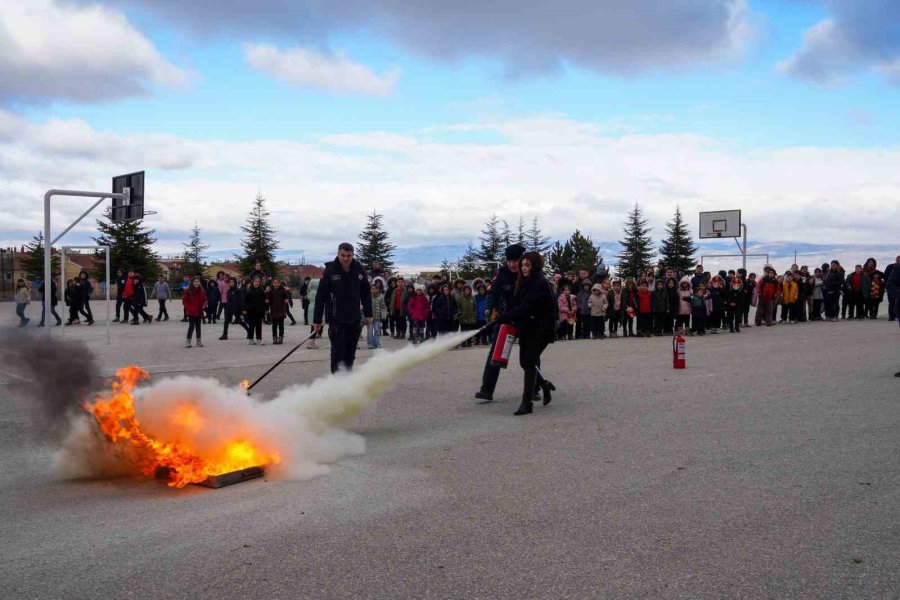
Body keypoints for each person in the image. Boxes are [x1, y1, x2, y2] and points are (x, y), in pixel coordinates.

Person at [500, 251, 556, 416]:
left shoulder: (539, 282)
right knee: (524, 363)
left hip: (541, 328)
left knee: (530, 362)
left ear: (535, 266)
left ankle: (527, 403)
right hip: (527, 327)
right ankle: (545, 385)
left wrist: (507, 317)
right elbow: (518, 305)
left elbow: (528, 307)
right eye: (522, 265)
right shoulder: (523, 282)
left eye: (527, 265)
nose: (523, 268)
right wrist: (506, 317)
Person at [474, 243, 526, 403]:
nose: (512, 264)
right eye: (509, 261)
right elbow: (493, 293)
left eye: (515, 261)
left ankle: (534, 388)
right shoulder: (501, 273)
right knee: (494, 355)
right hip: (505, 320)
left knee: (529, 355)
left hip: (524, 320)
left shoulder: (528, 273)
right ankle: (486, 390)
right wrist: (488, 308)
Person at [313, 243, 373, 373]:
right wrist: (317, 320)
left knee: (350, 353)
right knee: (337, 353)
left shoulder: (358, 268)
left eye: (349, 256)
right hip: (336, 319)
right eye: (343, 255)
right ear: (338, 254)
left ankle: (347, 381)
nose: (346, 258)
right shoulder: (330, 271)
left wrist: (368, 314)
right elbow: (320, 296)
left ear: (353, 255)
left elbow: (366, 292)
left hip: (354, 318)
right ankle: (336, 383)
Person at [182, 276, 207, 348]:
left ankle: (198, 341)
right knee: (191, 326)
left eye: (198, 281)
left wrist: (204, 305)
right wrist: (188, 308)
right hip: (191, 311)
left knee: (198, 326)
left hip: (199, 311)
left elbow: (205, 299)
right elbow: (184, 301)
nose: (197, 283)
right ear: (192, 283)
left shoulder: (202, 291)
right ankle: (188, 341)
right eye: (195, 281)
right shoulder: (187, 290)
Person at [266, 277, 289, 345]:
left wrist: (287, 300)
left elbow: (287, 297)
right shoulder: (270, 290)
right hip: (273, 310)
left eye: (277, 283)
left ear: (280, 283)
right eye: (274, 283)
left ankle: (281, 337)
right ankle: (274, 337)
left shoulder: (283, 290)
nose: (276, 284)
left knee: (281, 325)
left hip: (281, 310)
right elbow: (268, 298)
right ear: (272, 283)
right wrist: (267, 301)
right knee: (274, 325)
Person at [243, 277, 266, 345]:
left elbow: (264, 301)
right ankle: (251, 339)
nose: (257, 283)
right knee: (251, 326)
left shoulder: (261, 291)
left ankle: (259, 339)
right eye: (255, 281)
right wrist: (244, 309)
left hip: (259, 311)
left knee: (259, 325)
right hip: (251, 311)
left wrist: (264, 309)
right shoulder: (249, 291)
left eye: (258, 282)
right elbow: (245, 301)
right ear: (253, 282)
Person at [369, 283, 388, 348]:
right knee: (370, 331)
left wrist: (383, 316)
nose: (373, 290)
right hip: (370, 317)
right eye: (372, 289)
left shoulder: (381, 297)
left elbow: (383, 307)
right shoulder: (368, 296)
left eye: (375, 289)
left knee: (377, 330)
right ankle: (370, 343)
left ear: (378, 290)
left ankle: (377, 343)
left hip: (377, 317)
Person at [885, 256, 899, 322]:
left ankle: (895, 315)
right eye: (897, 259)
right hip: (892, 288)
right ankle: (891, 316)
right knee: (891, 303)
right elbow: (885, 277)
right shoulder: (891, 267)